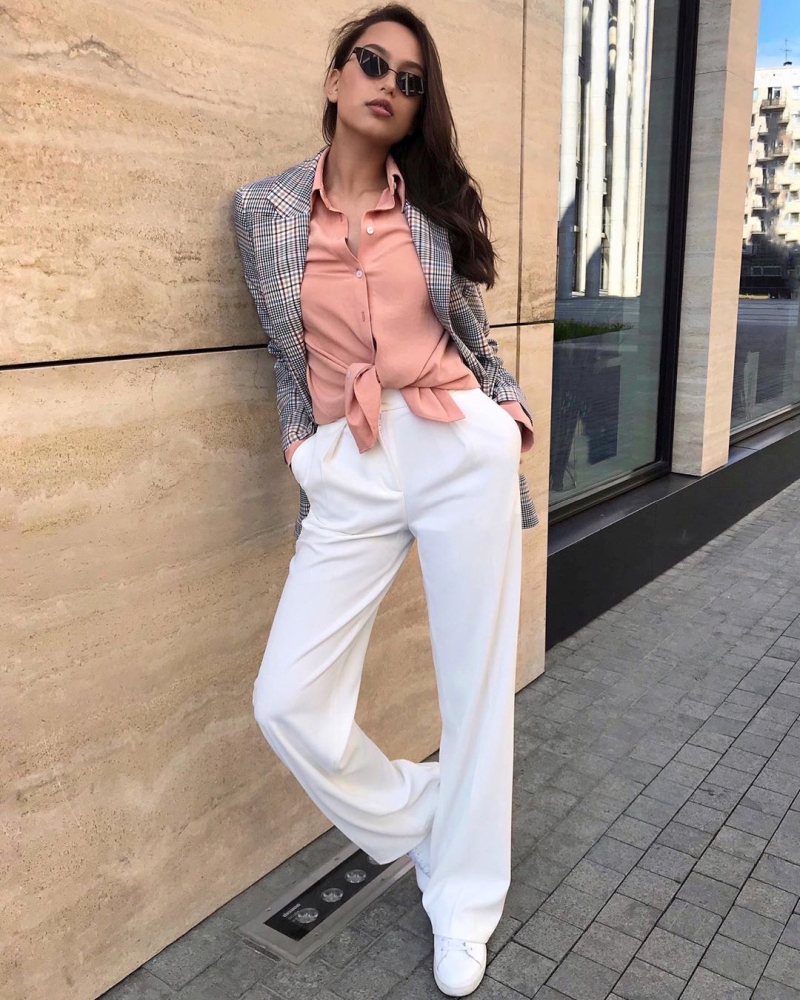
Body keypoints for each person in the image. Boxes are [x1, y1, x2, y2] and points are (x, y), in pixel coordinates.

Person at [233, 4, 539, 994]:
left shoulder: (429, 207)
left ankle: (465, 900)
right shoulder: (265, 211)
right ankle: (424, 813)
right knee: (287, 700)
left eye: (410, 81)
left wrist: (503, 417)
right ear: (334, 79)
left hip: (454, 441)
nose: (389, 87)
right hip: (349, 461)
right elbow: (283, 352)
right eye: (372, 63)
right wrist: (303, 451)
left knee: (474, 685)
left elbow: (468, 324)